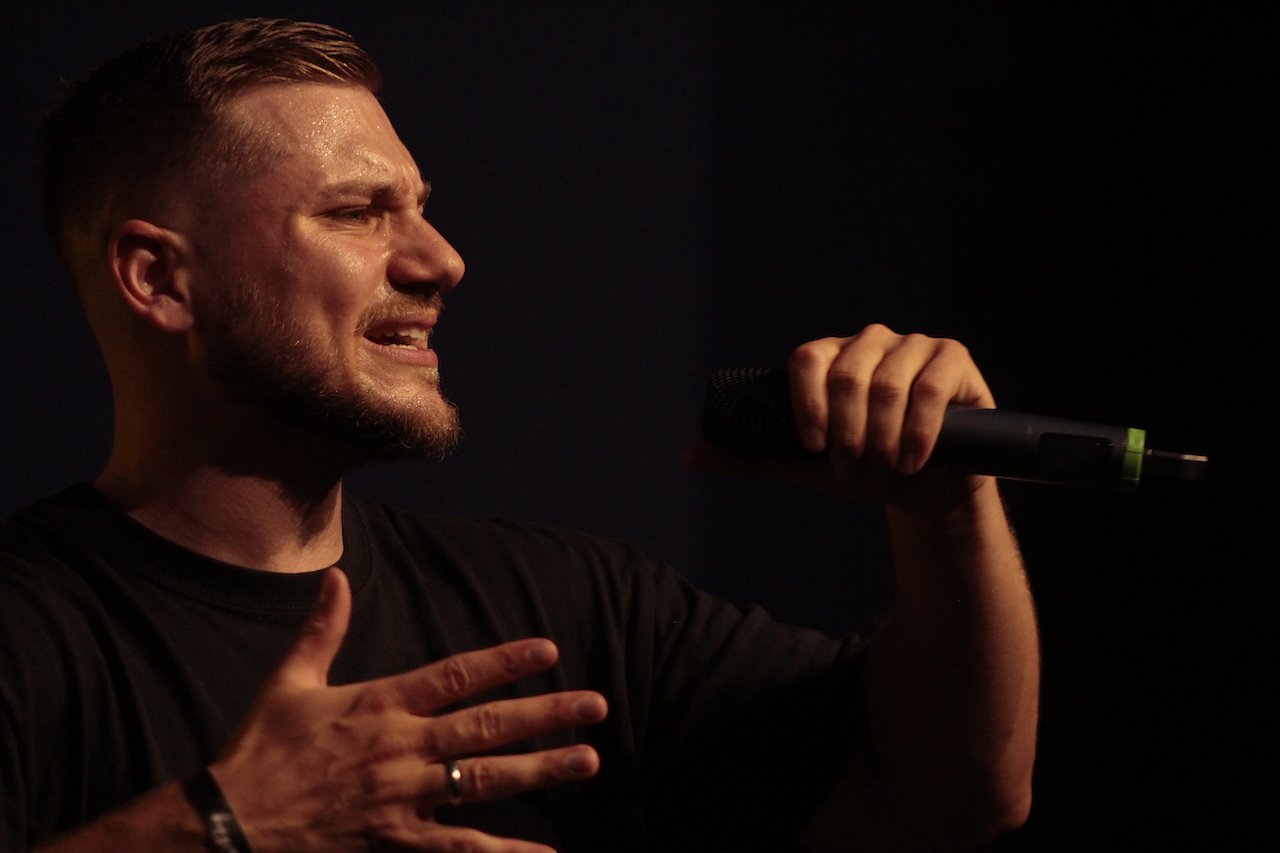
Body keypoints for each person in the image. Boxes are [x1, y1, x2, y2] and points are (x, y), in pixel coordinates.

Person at [1, 17, 1039, 852]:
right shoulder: (28, 630)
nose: (441, 260)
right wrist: (221, 825)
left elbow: (950, 795)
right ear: (160, 279)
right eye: (357, 212)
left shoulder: (562, 607)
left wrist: (946, 510)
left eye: (420, 207)